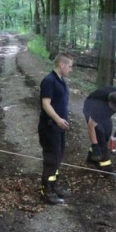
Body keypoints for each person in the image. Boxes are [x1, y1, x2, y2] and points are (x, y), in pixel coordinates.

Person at [38, 53, 74, 205]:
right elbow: (46, 104)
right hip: (49, 127)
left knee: (58, 157)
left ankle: (54, 185)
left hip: (58, 127)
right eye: (70, 66)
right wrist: (58, 119)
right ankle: (45, 191)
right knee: (51, 159)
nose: (71, 69)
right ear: (62, 64)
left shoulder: (61, 81)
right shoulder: (49, 81)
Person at [82, 86, 116, 173]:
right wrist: (95, 145)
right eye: (115, 109)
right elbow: (91, 126)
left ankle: (92, 157)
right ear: (109, 103)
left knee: (107, 133)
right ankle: (106, 167)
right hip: (89, 110)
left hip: (104, 112)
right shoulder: (99, 107)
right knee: (100, 136)